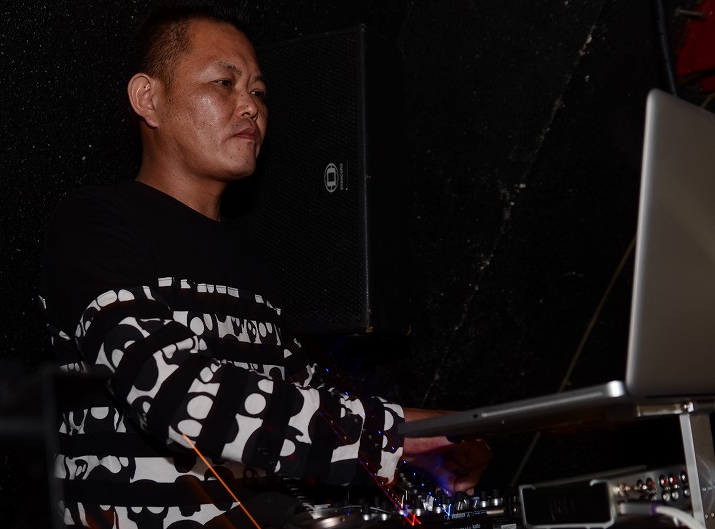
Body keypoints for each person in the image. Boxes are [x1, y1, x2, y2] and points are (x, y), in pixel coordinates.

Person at [40, 3, 491, 527]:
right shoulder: (94, 223)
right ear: (149, 98)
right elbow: (176, 396)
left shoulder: (254, 263)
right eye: (224, 83)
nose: (250, 106)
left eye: (258, 92)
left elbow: (303, 400)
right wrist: (393, 434)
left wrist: (425, 447)